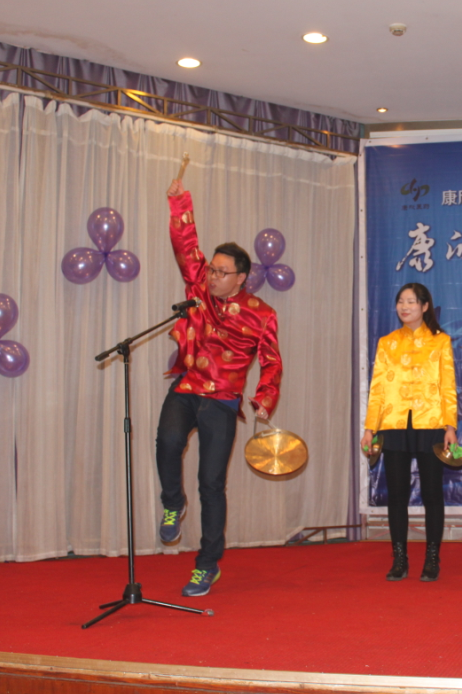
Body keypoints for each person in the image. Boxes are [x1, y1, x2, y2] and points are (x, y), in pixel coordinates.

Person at [156, 178, 282, 597]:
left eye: (221, 272)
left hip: (223, 401)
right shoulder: (198, 288)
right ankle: (172, 502)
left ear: (241, 278)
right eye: (211, 268)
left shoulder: (262, 315)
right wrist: (180, 202)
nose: (212, 276)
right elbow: (185, 244)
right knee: (167, 441)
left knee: (211, 483)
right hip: (187, 386)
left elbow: (272, 361)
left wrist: (264, 398)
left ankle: (207, 565)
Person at [361, 283, 458, 582]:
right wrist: (369, 429)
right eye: (401, 301)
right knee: (397, 495)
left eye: (412, 301)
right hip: (394, 425)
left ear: (425, 306)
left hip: (431, 424)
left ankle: (432, 558)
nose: (405, 307)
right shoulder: (387, 342)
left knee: (432, 494)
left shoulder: (441, 341)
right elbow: (377, 389)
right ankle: (399, 558)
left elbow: (448, 386)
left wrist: (450, 426)